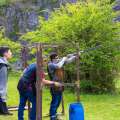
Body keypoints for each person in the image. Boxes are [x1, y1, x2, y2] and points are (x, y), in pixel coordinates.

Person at [47, 52, 79, 120]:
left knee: (58, 101)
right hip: (54, 85)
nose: (58, 59)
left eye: (58, 58)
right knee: (55, 101)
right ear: (52, 59)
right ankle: (52, 116)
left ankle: (54, 115)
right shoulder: (50, 65)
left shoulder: (59, 62)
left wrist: (74, 56)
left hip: (60, 85)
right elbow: (59, 66)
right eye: (56, 58)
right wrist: (64, 59)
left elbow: (68, 61)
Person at [0, 46, 12, 115]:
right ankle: (3, 110)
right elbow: (2, 83)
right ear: (5, 53)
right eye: (10, 51)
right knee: (2, 89)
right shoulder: (3, 65)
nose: (11, 53)